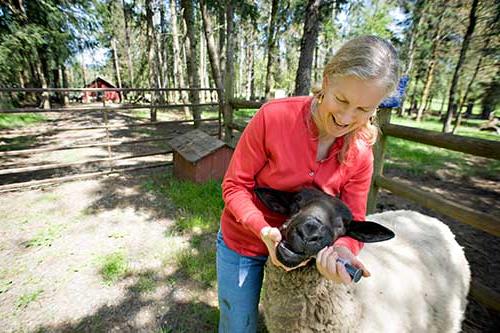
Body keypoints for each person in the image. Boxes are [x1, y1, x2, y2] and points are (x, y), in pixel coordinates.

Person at [216, 35, 400, 332]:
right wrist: (262, 229)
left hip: (305, 253)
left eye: (364, 110)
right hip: (246, 241)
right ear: (327, 81)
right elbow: (235, 186)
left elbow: (354, 220)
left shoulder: (361, 154)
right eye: (342, 100)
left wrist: (342, 249)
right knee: (238, 325)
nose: (346, 117)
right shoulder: (273, 118)